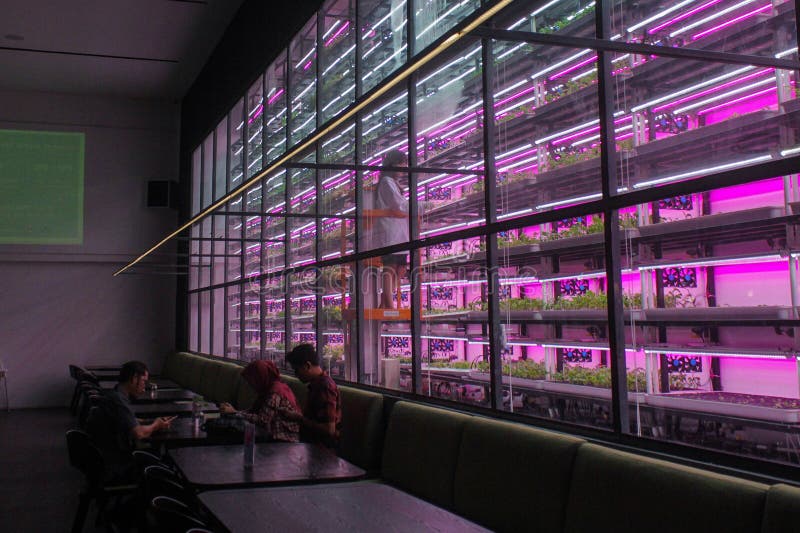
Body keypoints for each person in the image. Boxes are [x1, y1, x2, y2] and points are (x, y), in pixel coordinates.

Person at [219, 360, 301, 443]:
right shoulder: (268, 389)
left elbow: (263, 420)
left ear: (260, 377)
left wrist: (235, 412)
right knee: (227, 423)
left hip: (281, 437)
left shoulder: (275, 392)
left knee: (229, 428)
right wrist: (233, 412)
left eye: (252, 381)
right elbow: (253, 412)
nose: (250, 384)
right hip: (271, 431)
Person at [282, 344, 342, 448]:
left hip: (321, 452)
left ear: (307, 366)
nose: (296, 375)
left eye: (296, 370)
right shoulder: (317, 385)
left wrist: (299, 418)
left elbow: (329, 429)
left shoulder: (324, 387)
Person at [373, 149, 409, 309]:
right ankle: (388, 302)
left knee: (398, 268)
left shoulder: (391, 182)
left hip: (397, 232)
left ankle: (385, 300)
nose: (403, 168)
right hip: (391, 232)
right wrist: (420, 206)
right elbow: (398, 205)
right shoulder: (387, 182)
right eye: (402, 164)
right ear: (393, 164)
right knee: (391, 267)